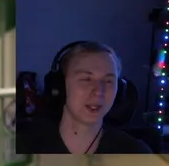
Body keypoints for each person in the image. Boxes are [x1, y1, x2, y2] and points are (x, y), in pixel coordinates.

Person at [23, 42, 151, 155]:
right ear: (60, 87)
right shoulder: (23, 146)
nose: (99, 91)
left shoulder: (136, 153)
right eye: (86, 79)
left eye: (108, 81)